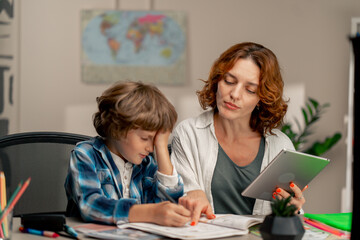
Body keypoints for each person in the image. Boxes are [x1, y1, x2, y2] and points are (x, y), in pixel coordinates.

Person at [171, 42, 307, 225]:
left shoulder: (280, 145)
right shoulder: (189, 134)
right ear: (217, 81)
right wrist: (190, 196)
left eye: (250, 90)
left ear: (262, 98)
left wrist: (293, 208)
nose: (234, 94)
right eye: (229, 81)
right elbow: (176, 200)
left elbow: (289, 221)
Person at [65, 81, 191, 226]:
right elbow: (90, 205)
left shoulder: (146, 164)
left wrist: (161, 147)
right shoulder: (85, 155)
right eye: (145, 138)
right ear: (117, 128)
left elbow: (168, 206)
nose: (151, 148)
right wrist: (149, 213)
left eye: (155, 140)